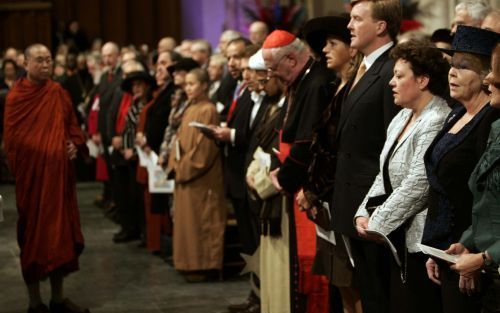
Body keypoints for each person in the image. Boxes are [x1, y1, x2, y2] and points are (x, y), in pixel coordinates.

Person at [353, 40, 451, 313]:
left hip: (422, 242)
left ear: (422, 80)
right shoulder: (402, 116)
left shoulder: (436, 118)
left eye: (399, 76)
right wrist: (363, 212)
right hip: (397, 239)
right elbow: (383, 173)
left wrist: (378, 223)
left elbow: (418, 184)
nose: (391, 83)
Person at [4, 44, 89, 313]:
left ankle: (58, 298)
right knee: (33, 237)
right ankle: (34, 302)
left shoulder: (58, 93)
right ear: (26, 64)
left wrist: (74, 145)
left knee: (60, 236)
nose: (45, 65)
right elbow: (13, 141)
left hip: (58, 179)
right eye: (39, 60)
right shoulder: (16, 98)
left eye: (49, 60)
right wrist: (44, 152)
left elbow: (72, 127)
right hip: (32, 180)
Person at [422, 26, 500, 313]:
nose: (452, 73)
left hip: (474, 254)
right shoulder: (456, 112)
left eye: (463, 67)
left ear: (485, 77)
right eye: (452, 66)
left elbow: (485, 197)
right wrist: (435, 248)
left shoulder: (490, 119)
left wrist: (478, 255)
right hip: (449, 248)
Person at [330, 1, 401, 312]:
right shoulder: (366, 66)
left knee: (379, 295)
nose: (349, 26)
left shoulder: (392, 68)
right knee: (368, 291)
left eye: (357, 19)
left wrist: (377, 206)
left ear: (381, 26)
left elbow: (394, 144)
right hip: (354, 198)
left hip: (373, 204)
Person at [263, 29, 336, 313]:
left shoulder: (316, 83)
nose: (272, 75)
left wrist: (284, 178)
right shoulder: (302, 80)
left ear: (291, 60)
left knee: (314, 263)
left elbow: (308, 141)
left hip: (308, 186)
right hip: (298, 185)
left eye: (274, 68)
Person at [298, 14, 362, 313]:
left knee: (352, 284)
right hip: (327, 198)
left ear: (352, 49)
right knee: (341, 283)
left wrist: (317, 189)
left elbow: (340, 150)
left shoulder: (353, 89)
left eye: (333, 43)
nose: (325, 49)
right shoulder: (337, 85)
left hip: (341, 196)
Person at [446, 43, 500, 313]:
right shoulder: (497, 127)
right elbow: (485, 200)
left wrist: (484, 258)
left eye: (496, 72)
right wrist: (468, 242)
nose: (489, 78)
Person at [167, 68, 226, 282]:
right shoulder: (191, 108)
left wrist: (184, 168)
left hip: (201, 177)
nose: (188, 88)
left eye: (192, 84)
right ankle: (188, 263)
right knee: (187, 223)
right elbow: (179, 139)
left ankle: (204, 265)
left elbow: (204, 150)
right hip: (185, 173)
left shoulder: (208, 109)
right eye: (187, 84)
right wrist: (174, 163)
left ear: (203, 85)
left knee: (202, 221)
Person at [245, 48, 288, 313]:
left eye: (264, 80)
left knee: (280, 271)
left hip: (276, 195)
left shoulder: (286, 105)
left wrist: (259, 182)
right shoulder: (273, 105)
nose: (261, 87)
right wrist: (252, 176)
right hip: (261, 188)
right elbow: (260, 146)